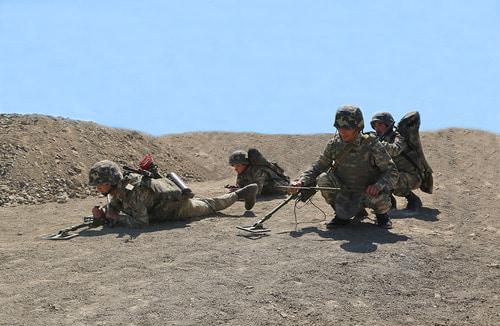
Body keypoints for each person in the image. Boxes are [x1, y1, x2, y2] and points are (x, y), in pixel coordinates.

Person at [290, 105, 399, 229]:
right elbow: (318, 167)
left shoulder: (371, 144)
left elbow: (392, 172)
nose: (342, 131)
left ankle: (382, 216)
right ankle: (342, 215)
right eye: (339, 127)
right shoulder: (334, 144)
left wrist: (378, 185)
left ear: (358, 127)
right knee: (323, 178)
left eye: (347, 127)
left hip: (368, 193)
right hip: (345, 192)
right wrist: (300, 182)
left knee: (382, 201)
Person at [88, 160, 258, 228]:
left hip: (177, 207)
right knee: (207, 202)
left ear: (110, 182)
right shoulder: (122, 186)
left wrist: (116, 218)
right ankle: (240, 194)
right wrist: (102, 213)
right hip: (165, 202)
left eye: (99, 185)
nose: (98, 189)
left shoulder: (135, 190)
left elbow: (141, 222)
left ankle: (241, 193)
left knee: (210, 205)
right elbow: (118, 203)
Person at [370, 112, 423, 210]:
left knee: (390, 179)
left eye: (380, 125)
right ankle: (390, 202)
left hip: (411, 177)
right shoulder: (379, 139)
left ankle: (413, 199)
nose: (377, 128)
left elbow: (395, 149)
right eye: (375, 125)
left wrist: (377, 144)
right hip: (397, 174)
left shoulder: (398, 137)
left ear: (388, 125)